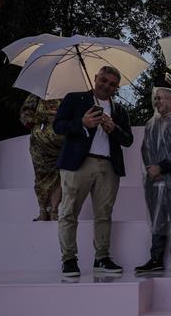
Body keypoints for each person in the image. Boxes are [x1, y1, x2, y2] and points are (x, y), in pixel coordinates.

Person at [54, 66, 133, 278]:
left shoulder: (120, 110)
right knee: (69, 212)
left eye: (112, 84)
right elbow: (58, 126)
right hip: (78, 164)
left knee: (104, 214)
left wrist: (113, 129)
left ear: (116, 88)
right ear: (95, 78)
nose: (106, 86)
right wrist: (83, 123)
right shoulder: (75, 99)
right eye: (104, 80)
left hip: (108, 166)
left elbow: (128, 140)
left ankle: (102, 258)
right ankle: (69, 260)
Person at [135, 87, 171, 274]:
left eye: (160, 98)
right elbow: (145, 150)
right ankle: (156, 259)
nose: (156, 102)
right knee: (157, 219)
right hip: (153, 180)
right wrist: (152, 170)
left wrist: (161, 168)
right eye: (155, 98)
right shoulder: (150, 124)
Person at [19, 94, 64, 221]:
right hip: (39, 145)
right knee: (41, 177)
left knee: (58, 176)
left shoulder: (69, 95)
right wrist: (43, 116)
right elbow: (25, 115)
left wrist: (59, 117)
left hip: (61, 144)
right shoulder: (37, 95)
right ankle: (43, 210)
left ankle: (54, 210)